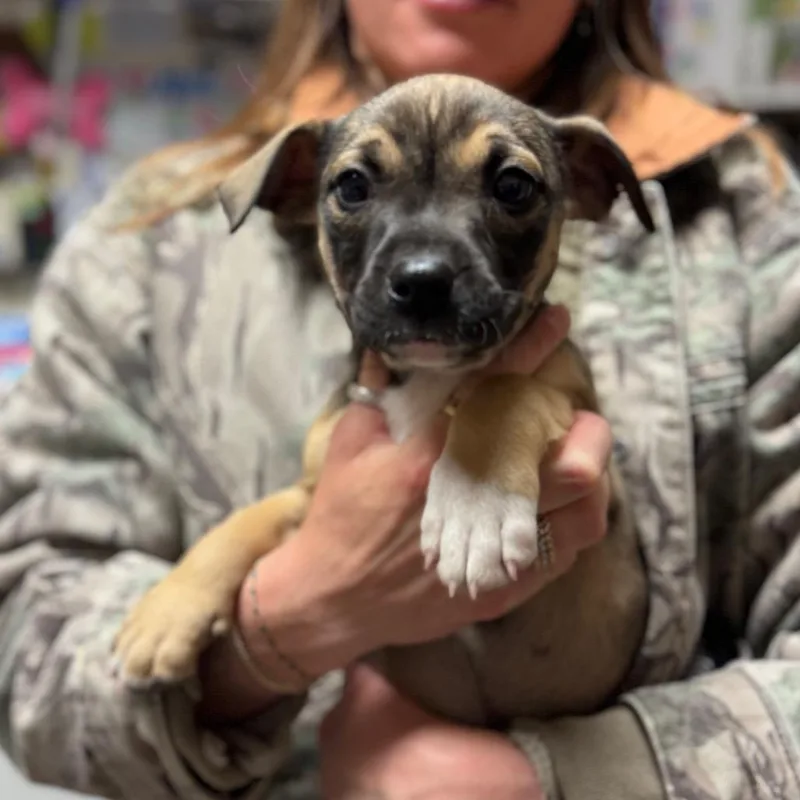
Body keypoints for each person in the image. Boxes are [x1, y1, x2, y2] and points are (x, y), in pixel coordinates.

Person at [0, 0, 797, 798]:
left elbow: (541, 398)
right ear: (297, 189)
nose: (422, 264)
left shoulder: (752, 217)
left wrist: (570, 779)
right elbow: (27, 629)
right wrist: (270, 630)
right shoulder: (146, 244)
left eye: (510, 188)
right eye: (354, 188)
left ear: (590, 186)